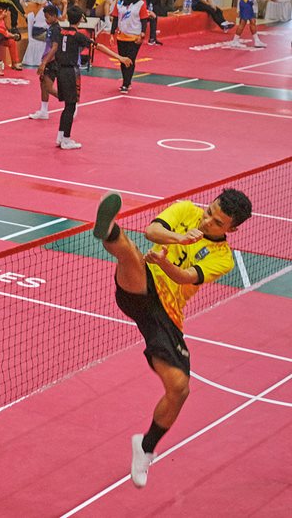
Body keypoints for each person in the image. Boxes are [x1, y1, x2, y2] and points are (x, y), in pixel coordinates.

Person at [91, 188, 252, 489]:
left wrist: (165, 261)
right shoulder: (185, 210)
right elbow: (152, 231)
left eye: (217, 223)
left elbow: (187, 277)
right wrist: (178, 238)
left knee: (179, 388)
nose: (207, 222)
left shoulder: (223, 258)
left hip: (166, 314)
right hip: (140, 286)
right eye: (209, 212)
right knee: (131, 254)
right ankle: (109, 229)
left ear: (232, 229)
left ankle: (146, 447)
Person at [36, 5, 131, 149]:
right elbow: (98, 46)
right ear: (81, 19)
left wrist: (43, 63)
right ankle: (66, 140)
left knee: (67, 106)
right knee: (71, 106)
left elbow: (54, 48)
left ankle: (61, 136)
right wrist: (119, 57)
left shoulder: (60, 32)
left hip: (60, 70)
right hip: (71, 72)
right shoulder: (78, 36)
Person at [28, 4, 61, 120]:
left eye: (47, 17)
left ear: (54, 16)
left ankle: (69, 102)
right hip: (46, 60)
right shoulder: (51, 28)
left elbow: (54, 47)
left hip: (52, 62)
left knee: (48, 87)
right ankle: (43, 111)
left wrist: (44, 63)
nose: (46, 20)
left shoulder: (56, 29)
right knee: (42, 85)